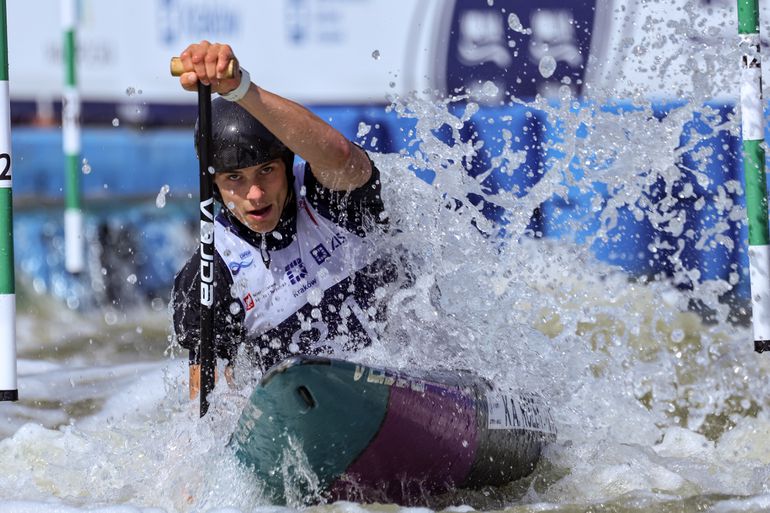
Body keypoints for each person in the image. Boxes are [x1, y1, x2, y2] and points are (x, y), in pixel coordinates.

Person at [171, 42, 397, 396]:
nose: (255, 194)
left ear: (287, 165)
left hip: (413, 371)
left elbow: (340, 154)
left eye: (267, 171)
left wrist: (241, 89)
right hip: (313, 409)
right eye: (235, 178)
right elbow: (207, 410)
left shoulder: (328, 197)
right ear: (214, 186)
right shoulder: (212, 272)